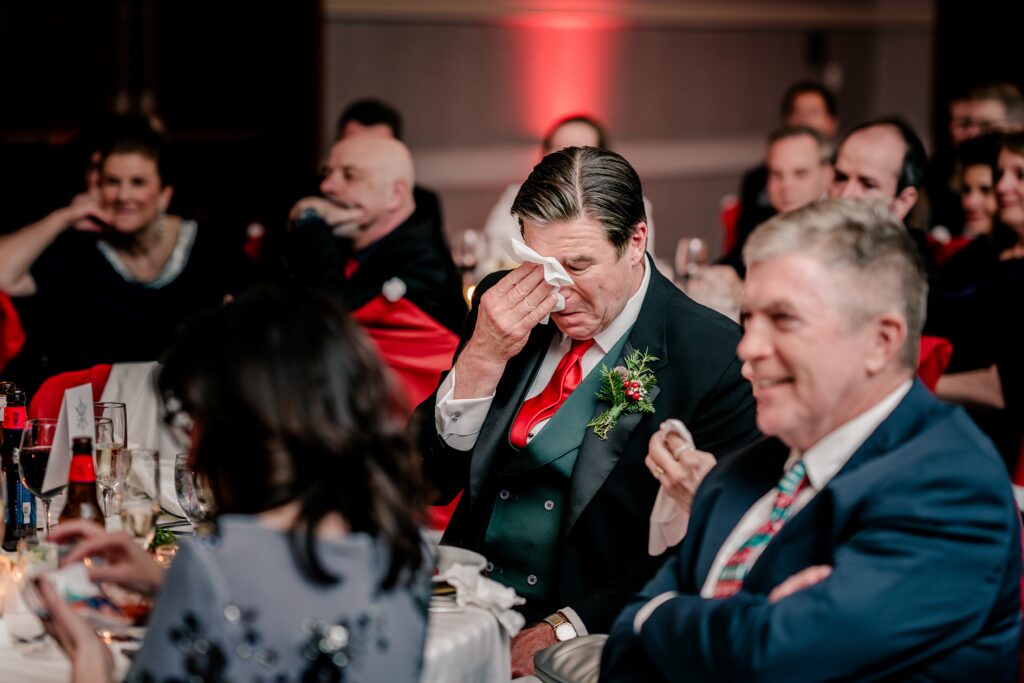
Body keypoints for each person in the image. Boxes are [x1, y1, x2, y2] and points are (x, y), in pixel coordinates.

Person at [600, 198, 1022, 682]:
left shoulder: (951, 484)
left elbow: (776, 662)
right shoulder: (744, 467)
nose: (747, 347)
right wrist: (742, 623)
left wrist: (659, 616)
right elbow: (623, 653)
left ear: (880, 341)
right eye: (749, 317)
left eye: (783, 320)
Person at [415, 146, 759, 676]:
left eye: (577, 265)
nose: (556, 292)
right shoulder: (501, 304)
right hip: (463, 603)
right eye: (538, 263)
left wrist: (566, 626)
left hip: (591, 630)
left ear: (636, 241)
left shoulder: (711, 358)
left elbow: (709, 543)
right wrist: (482, 358)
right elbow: (427, 482)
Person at [38, 284, 431, 683]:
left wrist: (89, 657)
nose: (192, 456)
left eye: (197, 425)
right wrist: (168, 586)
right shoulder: (405, 550)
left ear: (240, 432)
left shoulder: (213, 567)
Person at [0, 122, 256, 393]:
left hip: (184, 405)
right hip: (98, 414)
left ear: (164, 195)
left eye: (138, 182)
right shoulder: (78, 250)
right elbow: (4, 274)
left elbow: (263, 309)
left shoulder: (207, 246)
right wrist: (63, 217)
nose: (123, 195)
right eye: (112, 182)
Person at [286, 134, 466, 411]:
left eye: (350, 176)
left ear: (395, 195)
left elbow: (324, 324)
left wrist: (310, 220)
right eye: (327, 173)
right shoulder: (355, 244)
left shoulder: (423, 264)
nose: (326, 186)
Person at [478, 114, 656, 276]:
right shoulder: (516, 200)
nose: (569, 160)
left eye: (581, 150)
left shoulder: (628, 204)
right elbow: (493, 257)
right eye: (560, 150)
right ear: (544, 155)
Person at [724, 81, 839, 272]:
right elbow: (741, 255)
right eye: (776, 174)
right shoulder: (764, 214)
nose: (786, 185)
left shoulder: (840, 227)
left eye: (800, 174)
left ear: (828, 175)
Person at [335, 97, 445, 241]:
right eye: (353, 145)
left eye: (378, 148)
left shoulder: (423, 204)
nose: (365, 156)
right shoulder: (313, 199)